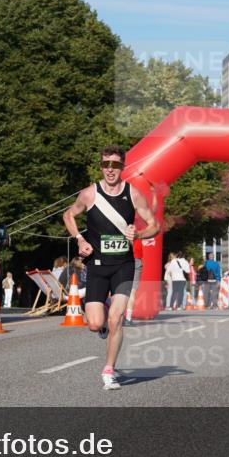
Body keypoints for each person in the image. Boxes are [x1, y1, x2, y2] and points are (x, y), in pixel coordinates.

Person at [63, 145, 158, 391]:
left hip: (123, 266)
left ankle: (109, 370)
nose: (110, 170)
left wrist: (138, 233)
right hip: (96, 266)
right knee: (95, 324)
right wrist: (80, 240)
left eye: (115, 165)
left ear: (122, 167)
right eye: (106, 165)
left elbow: (154, 225)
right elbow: (68, 215)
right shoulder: (89, 194)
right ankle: (102, 318)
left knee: (117, 319)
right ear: (101, 166)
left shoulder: (133, 194)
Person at [125, 238, 144, 326]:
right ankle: (128, 318)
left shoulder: (122, 226)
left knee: (119, 289)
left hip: (122, 260)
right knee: (132, 291)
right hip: (136, 259)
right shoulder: (139, 228)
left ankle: (117, 317)